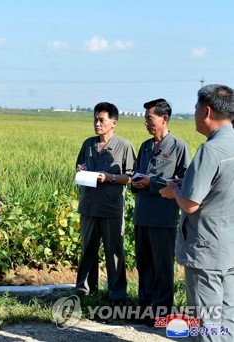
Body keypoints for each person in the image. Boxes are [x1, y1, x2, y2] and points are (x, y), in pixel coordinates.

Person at [160, 84, 234, 340]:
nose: (193, 112)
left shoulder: (210, 151)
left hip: (206, 250)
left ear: (207, 111)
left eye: (195, 107)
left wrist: (174, 191)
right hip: (230, 248)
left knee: (207, 322)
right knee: (227, 319)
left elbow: (190, 203)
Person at [131, 99, 190, 322]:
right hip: (142, 215)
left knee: (162, 267)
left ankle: (162, 313)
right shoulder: (146, 146)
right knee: (144, 264)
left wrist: (151, 182)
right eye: (145, 119)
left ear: (164, 119)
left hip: (163, 218)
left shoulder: (179, 147)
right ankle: (143, 310)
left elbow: (184, 181)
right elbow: (137, 173)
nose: (146, 123)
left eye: (149, 118)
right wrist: (135, 182)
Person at [74, 102, 136, 303]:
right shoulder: (88, 144)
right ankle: (85, 289)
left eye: (102, 120)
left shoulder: (124, 146)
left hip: (111, 208)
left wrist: (109, 178)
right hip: (89, 206)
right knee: (87, 250)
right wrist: (82, 171)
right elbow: (79, 166)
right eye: (95, 119)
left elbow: (131, 177)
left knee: (114, 252)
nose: (97, 123)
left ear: (114, 123)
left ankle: (116, 294)